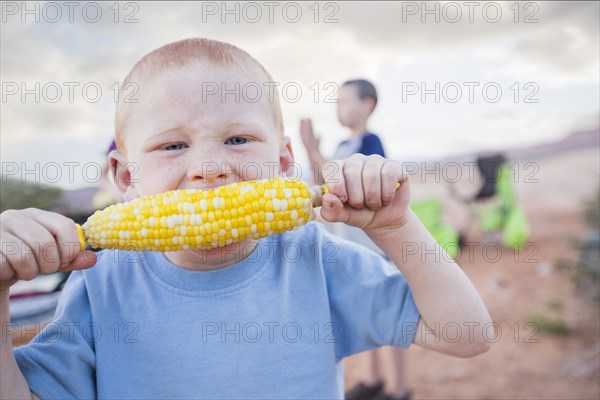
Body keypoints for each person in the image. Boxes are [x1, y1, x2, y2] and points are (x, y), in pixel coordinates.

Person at [0, 38, 492, 399]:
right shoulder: (99, 286)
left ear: (283, 164)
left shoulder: (318, 262)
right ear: (125, 178)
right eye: (173, 145)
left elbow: (466, 334)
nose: (210, 168)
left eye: (238, 139)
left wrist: (397, 228)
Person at [300, 81, 408, 399]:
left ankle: (400, 388)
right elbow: (322, 182)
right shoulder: (340, 146)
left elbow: (345, 181)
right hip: (353, 246)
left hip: (377, 248)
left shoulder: (370, 142)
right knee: (365, 312)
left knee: (390, 314)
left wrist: (313, 149)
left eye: (346, 101)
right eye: (337, 101)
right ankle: (373, 379)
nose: (339, 108)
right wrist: (310, 149)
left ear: (367, 106)